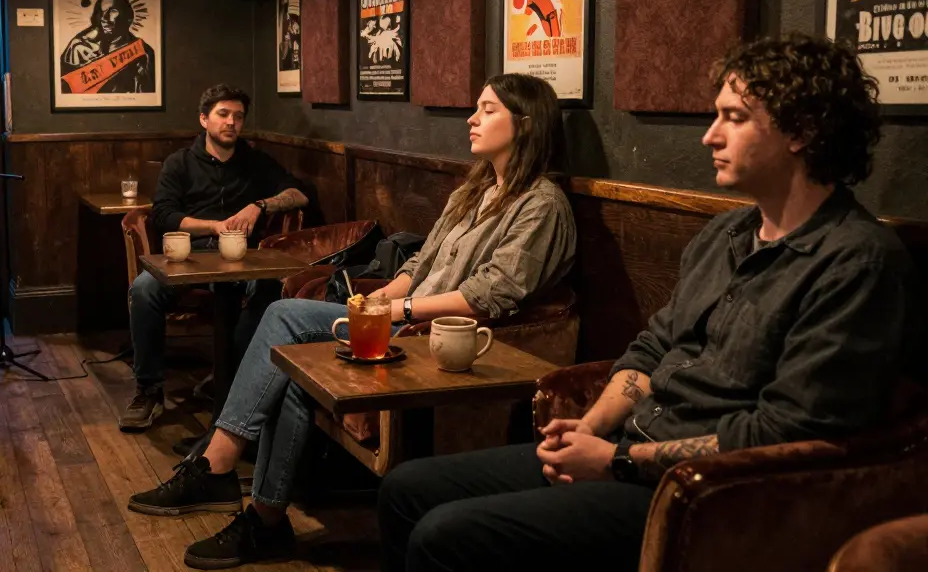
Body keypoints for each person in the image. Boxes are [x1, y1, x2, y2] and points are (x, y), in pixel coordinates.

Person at [377, 34, 922, 572]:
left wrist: (617, 461)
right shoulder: (726, 234)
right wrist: (591, 427)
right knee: (407, 487)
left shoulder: (856, 261)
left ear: (802, 131)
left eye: (734, 118)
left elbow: (784, 432)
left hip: (708, 497)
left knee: (446, 535)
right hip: (629, 446)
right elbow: (651, 349)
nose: (710, 136)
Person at [127, 73, 577, 569]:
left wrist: (397, 311)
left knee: (281, 314)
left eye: (488, 110)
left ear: (526, 124)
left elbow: (491, 294)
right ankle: (266, 520)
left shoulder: (541, 204)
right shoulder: (474, 190)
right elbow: (419, 264)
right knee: (296, 371)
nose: (472, 118)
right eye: (476, 107)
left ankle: (217, 466)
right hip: (400, 319)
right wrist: (380, 297)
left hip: (439, 338)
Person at [120, 83, 309, 432]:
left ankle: (232, 378)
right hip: (189, 255)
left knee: (269, 291)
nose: (231, 122)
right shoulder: (179, 163)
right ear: (204, 119)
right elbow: (163, 215)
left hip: (243, 257)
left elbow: (299, 194)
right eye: (223, 114)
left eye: (238, 116)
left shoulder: (255, 161)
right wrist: (213, 226)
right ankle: (149, 390)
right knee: (144, 290)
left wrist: (259, 205)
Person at [59, 0, 156, 94]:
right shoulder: (80, 47)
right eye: (102, 12)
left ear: (128, 18)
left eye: (113, 11)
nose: (104, 18)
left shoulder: (143, 53)